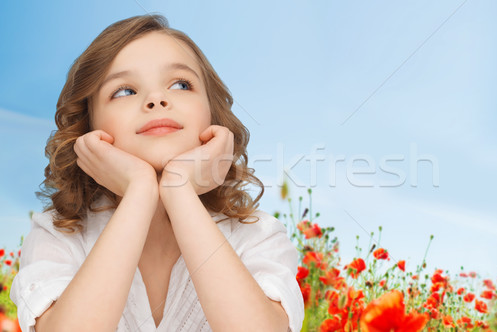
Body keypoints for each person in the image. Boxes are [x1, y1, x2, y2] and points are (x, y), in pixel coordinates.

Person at [10, 14, 304, 332]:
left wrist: (178, 189)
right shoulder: (59, 237)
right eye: (124, 91)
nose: (156, 99)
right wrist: (140, 190)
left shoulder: (256, 236)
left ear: (212, 116)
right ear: (89, 128)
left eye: (181, 84)